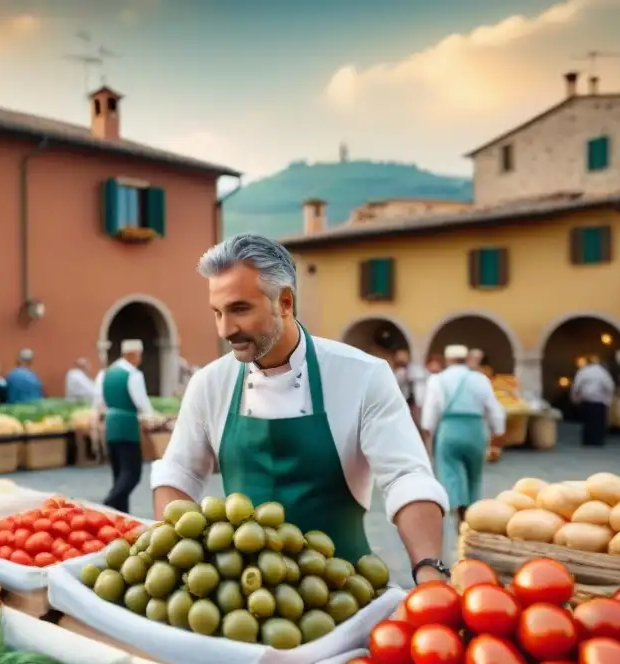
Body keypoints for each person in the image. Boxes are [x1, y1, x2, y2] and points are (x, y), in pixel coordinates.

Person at [151, 235, 450, 583]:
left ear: (285, 302)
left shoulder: (362, 375)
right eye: (217, 312)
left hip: (344, 588)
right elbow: (178, 475)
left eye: (240, 309)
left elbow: (406, 477)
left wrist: (430, 568)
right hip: (244, 596)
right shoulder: (209, 383)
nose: (225, 329)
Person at [421, 345, 506, 529]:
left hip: (449, 429)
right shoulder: (480, 379)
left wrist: (429, 433)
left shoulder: (437, 380)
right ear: (466, 358)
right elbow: (494, 408)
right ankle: (473, 511)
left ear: (447, 359)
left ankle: (458, 509)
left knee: (449, 470)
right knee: (474, 474)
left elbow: (430, 412)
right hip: (475, 429)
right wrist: (498, 432)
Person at [93, 340, 155, 513]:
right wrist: (151, 417)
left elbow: (99, 401)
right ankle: (108, 504)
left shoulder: (104, 374)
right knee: (132, 473)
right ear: (133, 354)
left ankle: (120, 514)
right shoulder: (133, 374)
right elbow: (141, 402)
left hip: (111, 425)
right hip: (127, 425)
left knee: (118, 473)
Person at [571, 355, 615, 446]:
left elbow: (576, 386)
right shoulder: (603, 372)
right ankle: (598, 440)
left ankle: (588, 440)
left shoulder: (583, 371)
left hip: (587, 400)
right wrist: (609, 399)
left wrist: (575, 399)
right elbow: (609, 386)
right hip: (600, 401)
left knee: (587, 422)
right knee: (599, 422)